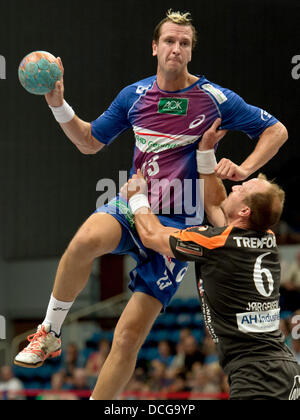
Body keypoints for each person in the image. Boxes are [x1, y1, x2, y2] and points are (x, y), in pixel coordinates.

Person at [14, 9, 288, 400]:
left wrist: (244, 169)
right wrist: (58, 104)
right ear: (155, 47)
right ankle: (50, 332)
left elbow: (276, 130)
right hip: (135, 204)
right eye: (170, 41)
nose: (176, 48)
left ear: (191, 52)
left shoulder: (214, 99)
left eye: (185, 43)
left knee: (127, 338)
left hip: (181, 223)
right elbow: (90, 142)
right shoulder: (134, 95)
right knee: (83, 243)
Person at [122, 131, 300, 400]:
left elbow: (152, 236)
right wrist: (205, 153)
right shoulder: (266, 238)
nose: (236, 186)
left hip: (258, 376)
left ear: (245, 212)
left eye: (244, 189)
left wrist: (137, 198)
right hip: (279, 368)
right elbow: (216, 204)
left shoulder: (219, 242)